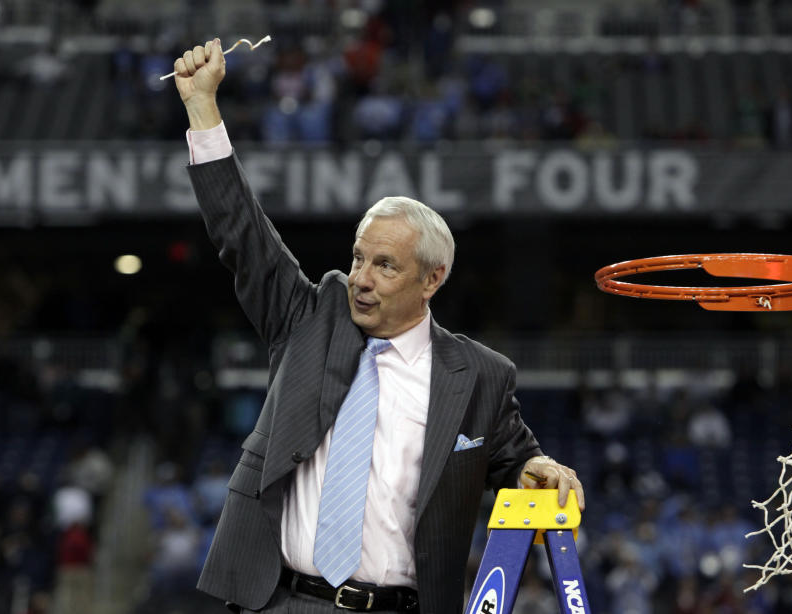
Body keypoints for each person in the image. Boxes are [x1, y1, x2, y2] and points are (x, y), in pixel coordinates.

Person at [172, 39, 585, 614]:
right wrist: (201, 109)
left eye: (385, 265)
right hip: (281, 601)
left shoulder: (480, 376)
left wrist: (538, 468)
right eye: (360, 257)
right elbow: (241, 234)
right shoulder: (310, 317)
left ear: (432, 279)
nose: (361, 277)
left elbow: (516, 461)